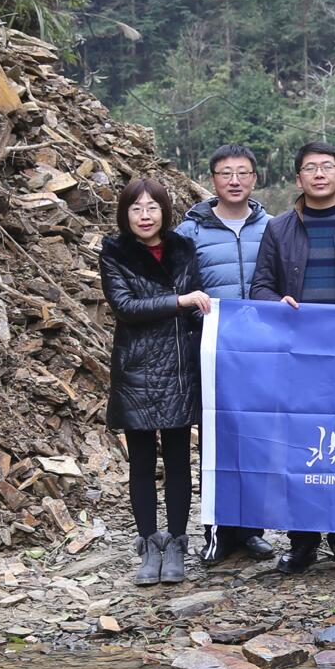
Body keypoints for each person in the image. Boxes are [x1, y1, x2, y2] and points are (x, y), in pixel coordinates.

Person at [250, 141, 335, 573]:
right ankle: (303, 540)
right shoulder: (279, 228)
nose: (320, 174)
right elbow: (259, 286)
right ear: (298, 178)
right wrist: (278, 303)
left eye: (327, 167)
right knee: (302, 445)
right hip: (298, 357)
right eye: (311, 168)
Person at [99, 178, 211, 586]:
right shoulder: (115, 253)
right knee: (143, 462)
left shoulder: (183, 249)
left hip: (179, 366)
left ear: (164, 211)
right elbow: (125, 306)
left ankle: (177, 542)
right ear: (125, 214)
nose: (145, 216)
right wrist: (180, 301)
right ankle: (149, 543)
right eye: (136, 209)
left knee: (180, 459)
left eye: (152, 208)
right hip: (138, 368)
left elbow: (198, 308)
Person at [175, 143, 275, 565]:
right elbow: (178, 286)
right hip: (212, 348)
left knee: (257, 438)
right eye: (225, 173)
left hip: (261, 351)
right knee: (216, 438)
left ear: (254, 177)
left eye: (243, 173)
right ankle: (217, 530)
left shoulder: (272, 226)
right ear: (212, 179)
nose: (235, 181)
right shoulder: (190, 231)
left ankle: (251, 530)